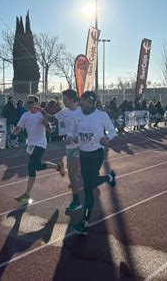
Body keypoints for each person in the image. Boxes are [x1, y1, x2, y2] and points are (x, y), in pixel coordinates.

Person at [68, 91, 117, 236]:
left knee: (88, 186)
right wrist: (70, 138)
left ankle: (84, 222)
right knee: (89, 184)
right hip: (83, 154)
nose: (80, 103)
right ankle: (109, 178)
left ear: (90, 102)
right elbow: (72, 131)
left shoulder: (101, 115)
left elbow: (112, 130)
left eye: (82, 101)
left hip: (96, 153)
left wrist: (107, 138)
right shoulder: (77, 115)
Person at [11, 95, 65, 204]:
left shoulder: (42, 114)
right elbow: (18, 128)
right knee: (38, 167)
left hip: (40, 144)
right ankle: (58, 166)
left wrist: (47, 125)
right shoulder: (25, 115)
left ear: (37, 103)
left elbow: (50, 131)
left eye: (31, 102)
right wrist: (13, 134)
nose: (29, 104)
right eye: (28, 102)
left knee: (31, 167)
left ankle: (26, 195)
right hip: (30, 145)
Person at [51, 89, 83, 212]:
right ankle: (108, 178)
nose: (63, 101)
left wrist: (74, 139)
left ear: (72, 100)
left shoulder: (82, 112)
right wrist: (40, 111)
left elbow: (88, 131)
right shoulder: (64, 112)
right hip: (69, 147)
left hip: (81, 147)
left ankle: (76, 201)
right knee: (79, 174)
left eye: (65, 99)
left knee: (72, 174)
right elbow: (52, 118)